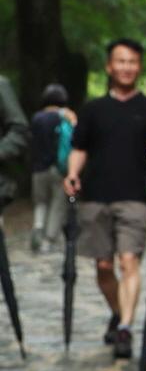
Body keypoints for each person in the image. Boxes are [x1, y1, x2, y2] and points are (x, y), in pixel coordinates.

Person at [64, 39, 146, 359]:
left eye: (132, 61)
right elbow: (79, 148)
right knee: (104, 266)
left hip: (133, 198)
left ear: (139, 66)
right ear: (110, 66)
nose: (126, 67)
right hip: (94, 198)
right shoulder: (93, 109)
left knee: (128, 260)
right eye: (120, 61)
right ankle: (118, 311)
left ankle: (124, 327)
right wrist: (72, 174)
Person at [27, 84, 76, 253]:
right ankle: (49, 240)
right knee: (57, 204)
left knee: (40, 202)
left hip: (38, 168)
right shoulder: (64, 117)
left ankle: (38, 228)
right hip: (58, 168)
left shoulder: (36, 118)